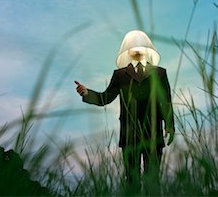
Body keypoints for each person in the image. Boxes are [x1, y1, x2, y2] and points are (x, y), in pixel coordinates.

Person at [75, 30, 175, 194]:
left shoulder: (159, 73)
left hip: (154, 133)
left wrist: (169, 125)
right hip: (129, 135)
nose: (136, 49)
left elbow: (166, 101)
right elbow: (105, 98)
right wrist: (87, 93)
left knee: (153, 179)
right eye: (132, 47)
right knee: (131, 178)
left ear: (147, 50)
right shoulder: (120, 75)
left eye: (140, 46)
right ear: (127, 52)